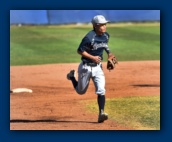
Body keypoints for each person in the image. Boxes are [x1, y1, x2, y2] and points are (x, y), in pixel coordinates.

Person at [67, 15, 117, 123]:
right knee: (81, 91)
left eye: (105, 24)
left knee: (101, 90)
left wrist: (109, 53)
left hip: (98, 68)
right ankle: (71, 77)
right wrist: (93, 57)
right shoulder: (89, 37)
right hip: (86, 67)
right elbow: (80, 50)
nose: (104, 27)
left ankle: (101, 113)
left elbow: (104, 45)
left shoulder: (106, 35)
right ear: (95, 26)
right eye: (101, 25)